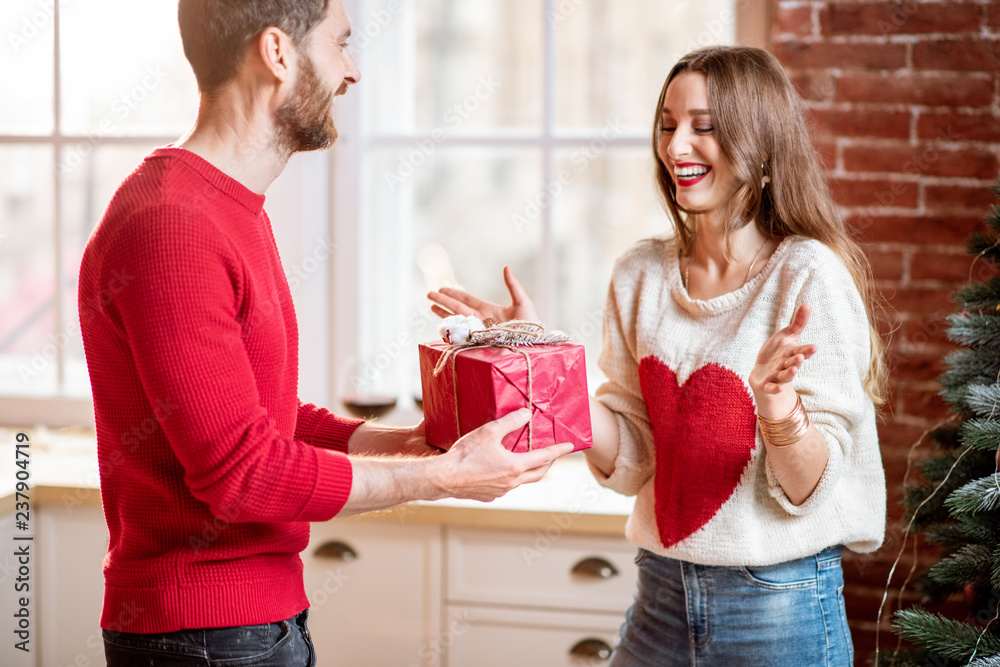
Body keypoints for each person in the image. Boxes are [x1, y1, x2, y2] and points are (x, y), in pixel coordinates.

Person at [77, 1, 573, 665]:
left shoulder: (225, 207)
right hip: (204, 635)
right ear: (278, 54)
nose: (353, 71)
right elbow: (244, 476)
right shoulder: (171, 226)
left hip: (246, 628)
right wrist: (445, 476)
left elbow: (268, 426)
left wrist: (428, 445)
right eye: (340, 43)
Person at [429, 45, 888, 665]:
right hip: (661, 594)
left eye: (704, 127)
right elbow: (636, 456)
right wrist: (541, 364)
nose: (675, 147)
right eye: (668, 125)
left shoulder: (807, 276)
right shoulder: (640, 274)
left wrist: (777, 409)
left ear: (762, 144)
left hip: (778, 604)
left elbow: (812, 489)